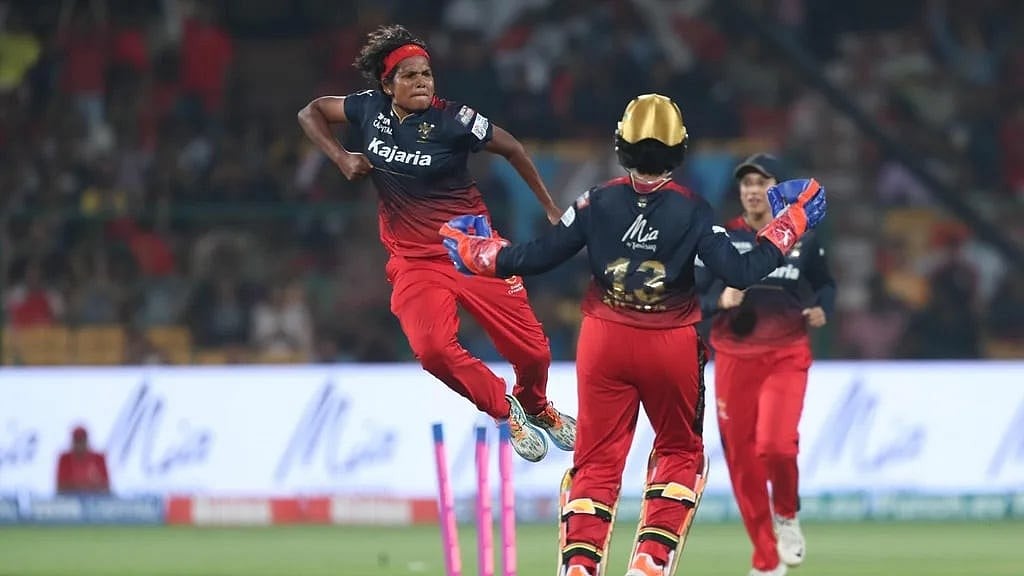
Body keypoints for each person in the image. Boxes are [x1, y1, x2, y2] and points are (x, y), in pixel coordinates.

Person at [440, 94, 827, 576]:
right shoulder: (695, 211)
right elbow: (742, 269)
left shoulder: (595, 201)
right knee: (680, 453)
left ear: (620, 145)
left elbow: (534, 257)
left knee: (597, 461)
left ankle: (580, 563)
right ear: (679, 150)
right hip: (670, 344)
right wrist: (795, 220)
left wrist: (475, 251)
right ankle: (651, 557)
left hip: (604, 340)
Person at [296, 24, 574, 462]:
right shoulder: (366, 109)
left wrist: (550, 207)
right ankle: (507, 410)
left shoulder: (455, 118)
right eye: (409, 75)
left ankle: (539, 407)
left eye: (426, 73)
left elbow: (514, 148)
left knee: (535, 352)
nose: (422, 81)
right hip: (414, 262)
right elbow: (310, 111)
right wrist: (342, 157)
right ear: (387, 85)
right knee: (432, 350)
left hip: (473, 251)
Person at [697, 154, 835, 576]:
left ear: (776, 188)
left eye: (762, 181)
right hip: (734, 359)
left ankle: (787, 513)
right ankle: (765, 560)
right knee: (742, 464)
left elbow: (825, 282)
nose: (753, 190)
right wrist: (718, 301)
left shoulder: (803, 237)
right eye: (746, 183)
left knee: (775, 445)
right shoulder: (721, 239)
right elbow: (690, 299)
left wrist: (822, 308)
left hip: (786, 354)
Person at [56, 425, 111, 495]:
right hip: (70, 502)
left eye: (81, 440)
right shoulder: (65, 459)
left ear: (86, 440)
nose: (79, 445)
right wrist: (87, 486)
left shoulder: (99, 459)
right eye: (77, 441)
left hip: (96, 502)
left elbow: (106, 487)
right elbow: (60, 487)